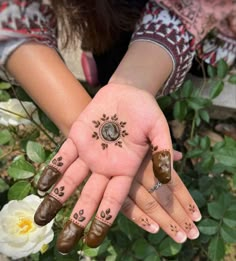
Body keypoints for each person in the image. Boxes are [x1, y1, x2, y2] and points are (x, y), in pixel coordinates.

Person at [0, 0, 235, 255]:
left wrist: (137, 79)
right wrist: (77, 115)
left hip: (206, 21)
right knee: (108, 46)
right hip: (101, 16)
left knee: (202, 67)